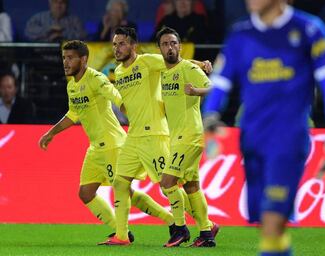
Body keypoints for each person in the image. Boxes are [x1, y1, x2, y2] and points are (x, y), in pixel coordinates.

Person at [202, 0, 325, 255]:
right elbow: (221, 81)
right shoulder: (240, 34)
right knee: (269, 226)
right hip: (251, 140)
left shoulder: (308, 29)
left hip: (288, 140)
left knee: (272, 222)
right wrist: (210, 117)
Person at [38, 40, 174, 244]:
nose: (65, 62)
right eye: (63, 58)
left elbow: (114, 94)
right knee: (85, 193)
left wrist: (127, 108)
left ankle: (167, 220)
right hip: (95, 148)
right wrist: (52, 133)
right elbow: (74, 113)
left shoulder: (96, 78)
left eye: (70, 58)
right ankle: (121, 231)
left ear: (83, 59)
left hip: (113, 145)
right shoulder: (73, 86)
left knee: (125, 192)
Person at [99, 26, 213, 246]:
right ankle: (122, 235)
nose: (117, 48)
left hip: (154, 134)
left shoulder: (147, 61)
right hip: (133, 135)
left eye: (122, 43)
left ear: (133, 46)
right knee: (120, 182)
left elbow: (176, 61)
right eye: (114, 44)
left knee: (170, 184)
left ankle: (197, 224)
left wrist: (201, 64)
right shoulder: (119, 72)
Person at [156, 26, 219, 247]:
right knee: (191, 186)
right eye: (165, 44)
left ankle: (180, 229)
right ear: (160, 49)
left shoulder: (187, 68)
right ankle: (207, 233)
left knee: (167, 182)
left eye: (173, 43)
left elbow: (214, 88)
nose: (170, 47)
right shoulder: (162, 72)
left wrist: (196, 91)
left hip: (190, 135)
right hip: (177, 137)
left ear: (180, 47)